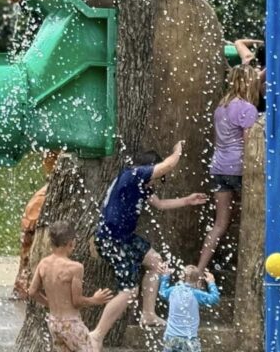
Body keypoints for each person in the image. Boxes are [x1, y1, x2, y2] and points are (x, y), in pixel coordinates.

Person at [89, 143, 208, 352]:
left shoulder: (141, 186)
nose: (159, 183)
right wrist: (178, 151)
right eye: (158, 178)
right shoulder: (133, 175)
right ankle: (97, 334)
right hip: (111, 240)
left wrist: (187, 201)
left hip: (124, 238)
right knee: (129, 291)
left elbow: (160, 204)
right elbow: (167, 165)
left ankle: (148, 314)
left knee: (157, 263)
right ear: (150, 169)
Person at [196, 65, 261, 273]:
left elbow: (219, 141)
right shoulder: (248, 109)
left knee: (220, 224)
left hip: (219, 168)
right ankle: (250, 267)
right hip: (240, 169)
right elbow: (249, 144)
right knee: (255, 217)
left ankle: (199, 269)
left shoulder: (220, 108)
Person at [28, 220, 114, 352]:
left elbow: (32, 292)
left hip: (54, 322)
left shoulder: (43, 263)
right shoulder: (75, 268)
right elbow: (77, 301)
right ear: (71, 243)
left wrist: (49, 303)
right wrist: (95, 300)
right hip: (71, 324)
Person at [158, 265, 220, 352]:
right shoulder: (196, 294)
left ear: (181, 278)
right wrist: (211, 283)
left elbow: (162, 293)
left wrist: (165, 277)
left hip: (171, 337)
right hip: (189, 339)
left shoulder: (172, 290)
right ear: (199, 282)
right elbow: (214, 299)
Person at [13, 183, 49, 299]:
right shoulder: (44, 194)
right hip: (31, 228)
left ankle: (22, 291)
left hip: (30, 227)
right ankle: (24, 292)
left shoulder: (44, 192)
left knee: (26, 265)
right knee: (28, 264)